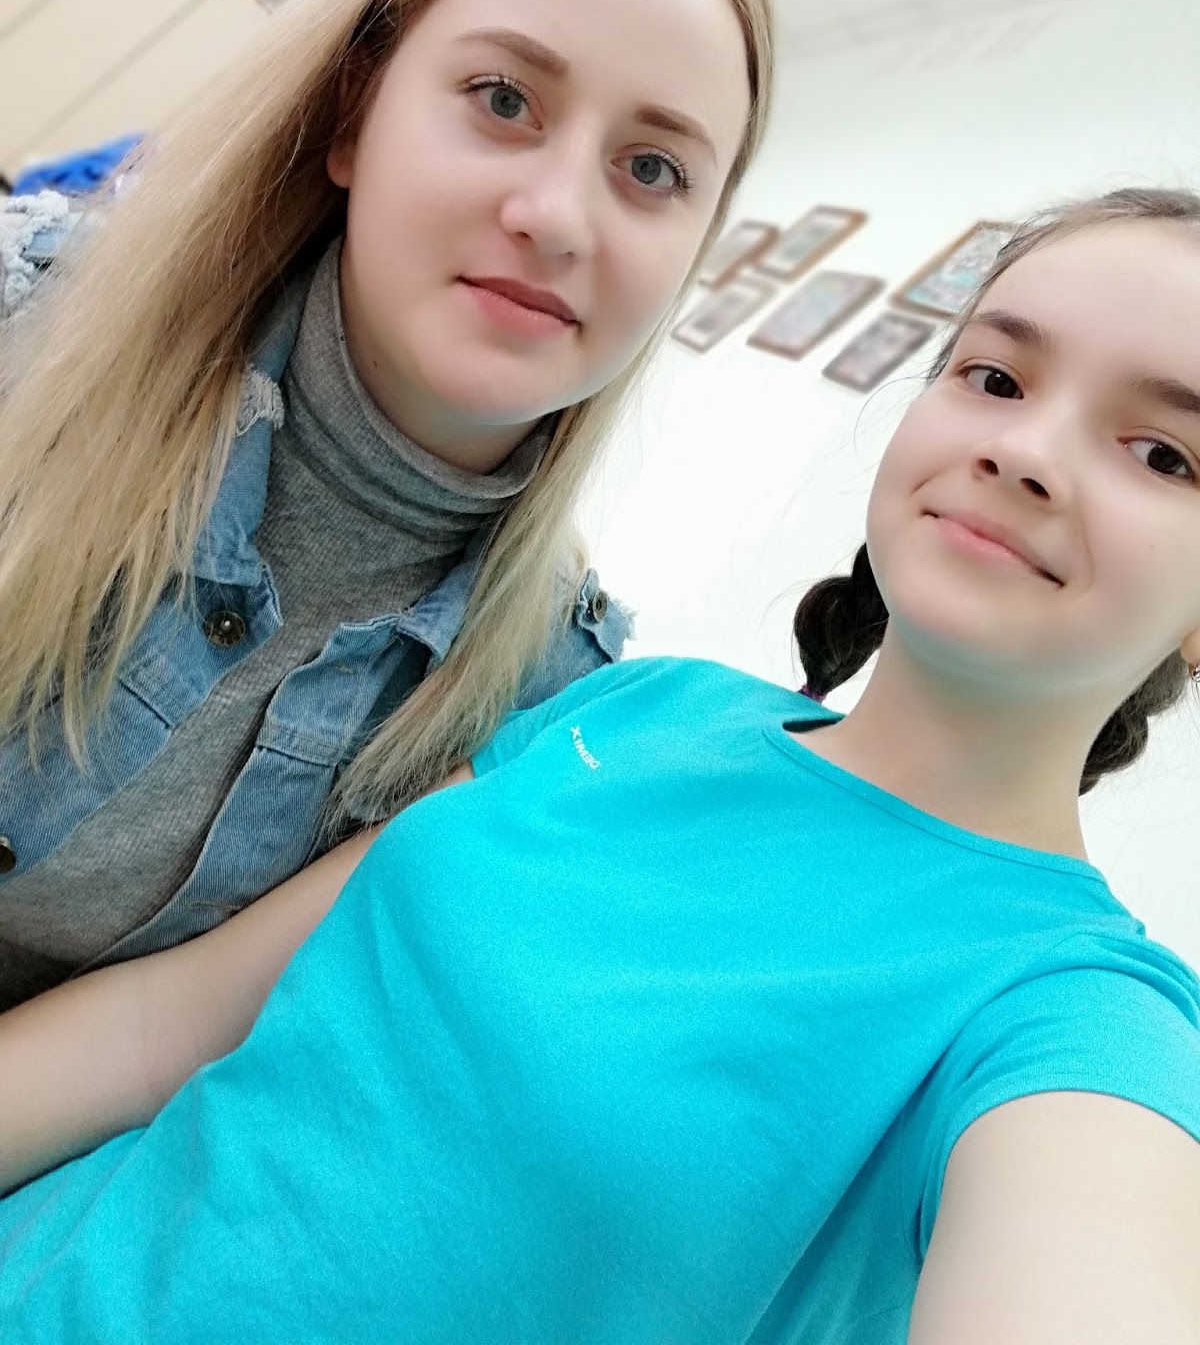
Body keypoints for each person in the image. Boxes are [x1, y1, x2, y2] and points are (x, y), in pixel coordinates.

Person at [3, 186, 1200, 1344]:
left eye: (1162, 454)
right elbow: (173, 1022)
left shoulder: (1069, 1013)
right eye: (995, 378)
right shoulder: (642, 704)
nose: (1026, 451)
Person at [0, 0, 771, 1010]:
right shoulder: (33, 320)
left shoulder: (543, 705)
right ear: (355, 112)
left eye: (654, 169)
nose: (558, 216)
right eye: (503, 99)